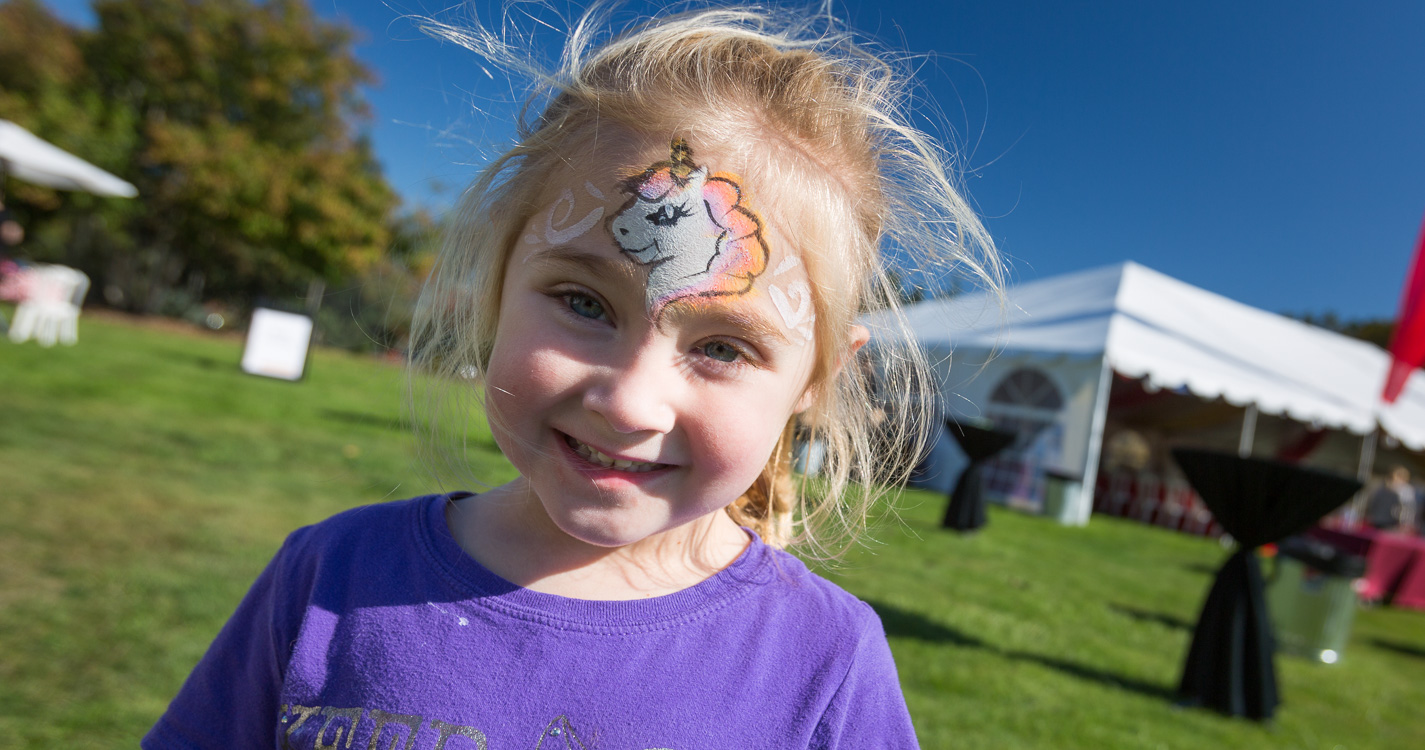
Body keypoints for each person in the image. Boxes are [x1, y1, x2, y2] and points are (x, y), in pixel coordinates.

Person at [143, 6, 1000, 749]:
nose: (629, 400)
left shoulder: (826, 660)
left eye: (724, 349)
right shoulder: (332, 573)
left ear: (815, 379)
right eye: (584, 303)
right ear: (496, 285)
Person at [1365, 466, 1417, 532]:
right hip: (1378, 520)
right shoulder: (1383, 488)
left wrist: (1405, 523)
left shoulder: (1406, 490)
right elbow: (1374, 503)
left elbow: (1408, 509)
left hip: (1394, 523)